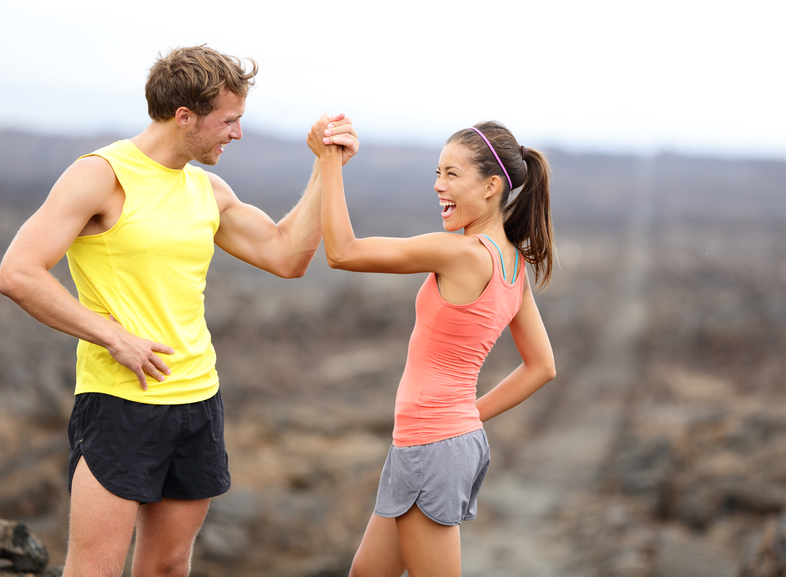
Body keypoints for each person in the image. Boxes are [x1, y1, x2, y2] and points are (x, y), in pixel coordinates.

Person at [0, 46, 358, 577]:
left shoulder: (207, 189)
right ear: (184, 116)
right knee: (94, 569)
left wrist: (325, 167)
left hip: (198, 401)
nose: (236, 134)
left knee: (168, 566)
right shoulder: (102, 175)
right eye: (228, 121)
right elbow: (18, 271)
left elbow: (286, 255)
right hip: (121, 401)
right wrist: (113, 337)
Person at [307, 117, 556, 577]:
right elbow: (541, 367)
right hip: (436, 440)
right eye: (437, 173)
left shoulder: (460, 253)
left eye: (452, 174)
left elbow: (342, 251)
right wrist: (465, 417)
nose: (439, 186)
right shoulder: (513, 267)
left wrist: (329, 164)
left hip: (433, 446)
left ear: (491, 187)